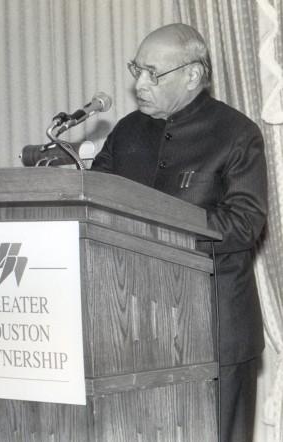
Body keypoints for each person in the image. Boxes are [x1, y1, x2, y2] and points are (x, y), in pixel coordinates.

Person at [91, 24, 267, 442]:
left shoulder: (238, 134)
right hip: (132, 328)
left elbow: (244, 224)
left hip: (215, 332)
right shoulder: (127, 131)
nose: (139, 84)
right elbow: (93, 201)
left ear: (192, 75)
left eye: (153, 73)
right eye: (137, 69)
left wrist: (159, 227)